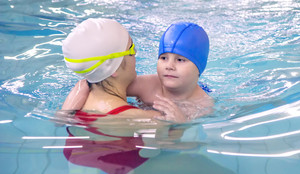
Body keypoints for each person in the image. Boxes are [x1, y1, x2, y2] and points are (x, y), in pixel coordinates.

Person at [62, 21, 213, 121]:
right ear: (113, 67)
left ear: (199, 67)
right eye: (163, 58)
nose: (169, 66)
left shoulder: (203, 105)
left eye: (180, 60)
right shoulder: (147, 85)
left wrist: (184, 122)